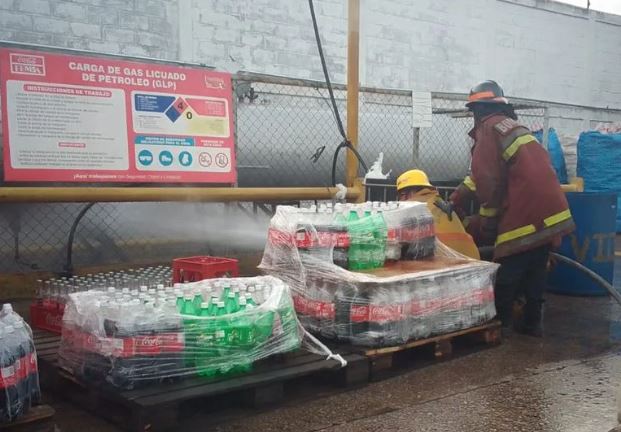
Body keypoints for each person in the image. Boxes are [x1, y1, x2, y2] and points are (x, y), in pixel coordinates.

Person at [450, 80, 575, 336]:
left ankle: (499, 325)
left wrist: (487, 225)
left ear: (478, 111)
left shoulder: (488, 129)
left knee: (508, 265)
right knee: (536, 266)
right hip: (552, 209)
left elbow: (489, 181)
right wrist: (457, 196)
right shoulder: (513, 127)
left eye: (474, 111)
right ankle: (532, 323)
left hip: (525, 209)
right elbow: (483, 175)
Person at [396, 169, 480, 260]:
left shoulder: (410, 208)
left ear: (404, 195)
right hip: (472, 259)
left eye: (400, 196)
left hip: (444, 264)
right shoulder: (439, 203)